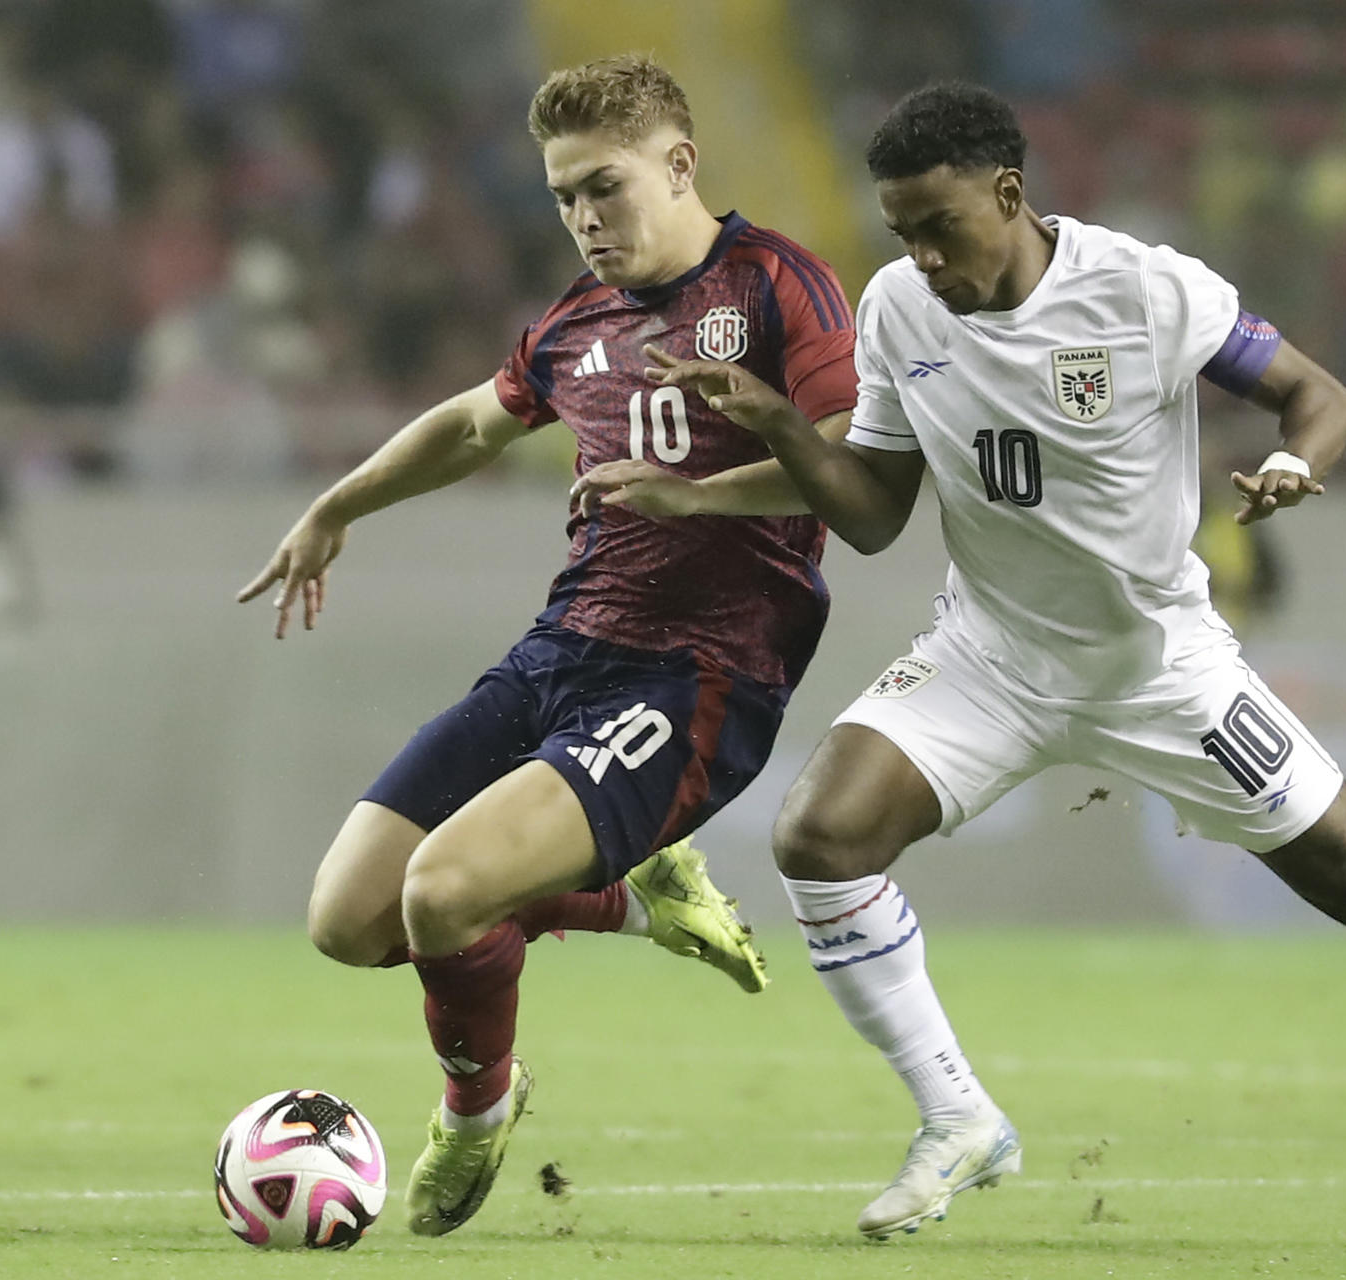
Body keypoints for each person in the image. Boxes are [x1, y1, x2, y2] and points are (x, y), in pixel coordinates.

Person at [575, 83, 1346, 1249]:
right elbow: (872, 514)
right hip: (992, 656)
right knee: (819, 835)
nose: (920, 254)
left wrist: (1295, 462)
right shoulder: (901, 307)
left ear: (1008, 194)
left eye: (939, 226)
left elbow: (1321, 397)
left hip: (1160, 666)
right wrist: (774, 430)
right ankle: (957, 1113)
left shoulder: (1148, 288)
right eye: (901, 230)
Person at [236, 54, 857, 1236]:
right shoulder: (577, 322)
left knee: (447, 892)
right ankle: (628, 898)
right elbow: (473, 422)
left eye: (604, 187)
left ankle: (477, 1107)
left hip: (698, 672)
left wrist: (694, 497)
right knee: (348, 919)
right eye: (564, 195)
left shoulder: (779, 284)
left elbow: (855, 464)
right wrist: (336, 507)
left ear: (678, 164)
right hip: (556, 653)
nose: (583, 217)